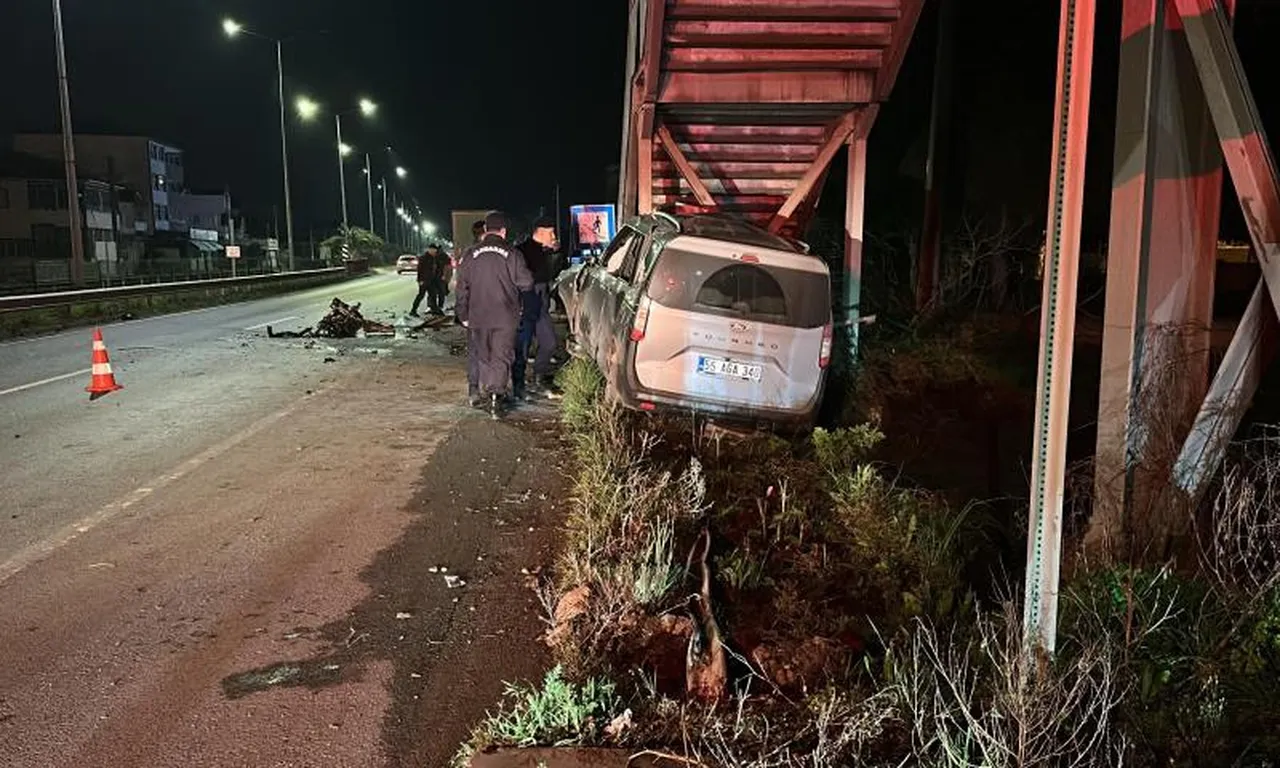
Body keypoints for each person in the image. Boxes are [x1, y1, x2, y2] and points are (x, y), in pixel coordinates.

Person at [454, 211, 533, 417]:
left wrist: (462, 313)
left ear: (486, 230)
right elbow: (526, 283)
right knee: (502, 355)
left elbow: (461, 287)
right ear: (503, 231)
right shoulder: (513, 254)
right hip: (505, 315)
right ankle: (496, 398)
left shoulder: (470, 254)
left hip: (478, 314)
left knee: (483, 354)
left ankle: (484, 391)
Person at [514, 216, 562, 399]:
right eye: (551, 233)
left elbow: (552, 274)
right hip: (525, 302)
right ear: (540, 232)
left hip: (541, 303)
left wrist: (554, 254)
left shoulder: (548, 251)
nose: (554, 237)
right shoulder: (521, 251)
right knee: (522, 346)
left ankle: (539, 377)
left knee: (549, 341)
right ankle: (518, 385)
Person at [410, 244, 448, 316]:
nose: (434, 251)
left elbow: (438, 268)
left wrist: (440, 276)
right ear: (429, 250)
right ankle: (413, 310)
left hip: (432, 280)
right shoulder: (423, 258)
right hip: (424, 280)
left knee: (433, 295)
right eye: (433, 250)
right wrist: (420, 280)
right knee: (421, 295)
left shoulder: (435, 258)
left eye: (435, 250)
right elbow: (419, 270)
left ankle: (435, 309)